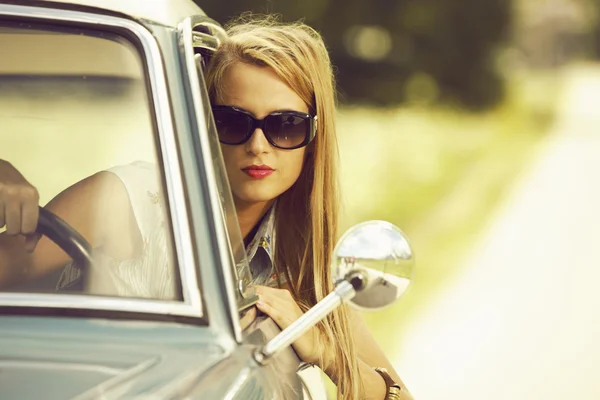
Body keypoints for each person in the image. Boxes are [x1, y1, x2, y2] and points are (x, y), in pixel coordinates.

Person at [0, 15, 412, 399]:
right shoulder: (128, 199)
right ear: (204, 124)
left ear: (313, 136)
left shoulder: (301, 260)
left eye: (285, 126)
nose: (258, 146)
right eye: (233, 122)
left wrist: (324, 350)